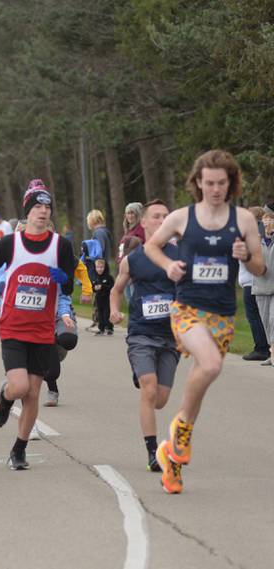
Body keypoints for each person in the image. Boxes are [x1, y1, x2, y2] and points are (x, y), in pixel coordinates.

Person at [144, 150, 264, 494]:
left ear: (231, 183)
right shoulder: (182, 218)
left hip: (224, 314)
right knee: (209, 365)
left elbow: (259, 267)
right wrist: (168, 266)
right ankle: (179, 432)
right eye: (209, 183)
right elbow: (152, 246)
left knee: (202, 381)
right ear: (198, 182)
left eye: (221, 183)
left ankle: (174, 458)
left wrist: (246, 257)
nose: (215, 189)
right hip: (187, 309)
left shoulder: (242, 220)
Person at [0, 180, 77, 470]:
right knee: (19, 386)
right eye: (37, 207)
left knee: (33, 392)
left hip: (42, 328)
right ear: (27, 212)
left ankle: (19, 449)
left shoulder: (62, 245)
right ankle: (5, 398)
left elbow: (70, 285)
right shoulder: (11, 243)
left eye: (47, 207)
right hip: (13, 326)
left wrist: (64, 280)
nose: (43, 212)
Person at [109, 199, 180, 472]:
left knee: (160, 400)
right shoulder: (133, 259)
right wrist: (115, 310)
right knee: (149, 389)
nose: (162, 220)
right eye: (157, 216)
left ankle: (142, 374)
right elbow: (116, 290)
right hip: (141, 334)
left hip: (170, 337)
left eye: (166, 216)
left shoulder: (179, 255)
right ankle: (152, 453)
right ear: (145, 223)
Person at [252, 211, 274, 364]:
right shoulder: (257, 241)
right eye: (265, 219)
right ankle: (271, 350)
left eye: (270, 218)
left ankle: (273, 353)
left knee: (273, 319)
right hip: (260, 286)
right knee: (266, 321)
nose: (267, 221)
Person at [92, 258, 114, 335]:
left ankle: (109, 328)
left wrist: (102, 287)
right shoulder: (95, 278)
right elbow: (93, 288)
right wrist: (94, 288)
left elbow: (112, 287)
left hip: (107, 299)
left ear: (105, 267)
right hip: (99, 299)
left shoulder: (109, 277)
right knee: (100, 314)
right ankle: (101, 329)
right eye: (98, 267)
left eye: (101, 267)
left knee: (107, 314)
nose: (99, 269)